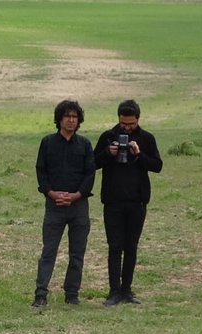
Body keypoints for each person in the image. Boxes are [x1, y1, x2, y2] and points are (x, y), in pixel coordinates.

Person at [94, 99, 163, 306]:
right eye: (123, 124)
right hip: (113, 202)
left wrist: (139, 154)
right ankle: (114, 291)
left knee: (131, 247)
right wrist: (108, 153)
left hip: (137, 203)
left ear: (138, 120)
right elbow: (92, 162)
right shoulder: (108, 137)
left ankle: (127, 290)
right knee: (114, 247)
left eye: (131, 124)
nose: (127, 128)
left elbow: (157, 165)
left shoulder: (147, 138)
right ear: (118, 119)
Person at [33, 100, 95, 307]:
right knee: (48, 252)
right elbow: (41, 171)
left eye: (74, 117)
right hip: (54, 206)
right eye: (67, 116)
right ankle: (41, 294)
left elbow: (89, 174)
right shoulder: (48, 142)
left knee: (77, 253)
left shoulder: (85, 144)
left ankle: (72, 294)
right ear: (59, 119)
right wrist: (51, 193)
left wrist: (76, 195)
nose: (71, 120)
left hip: (78, 206)